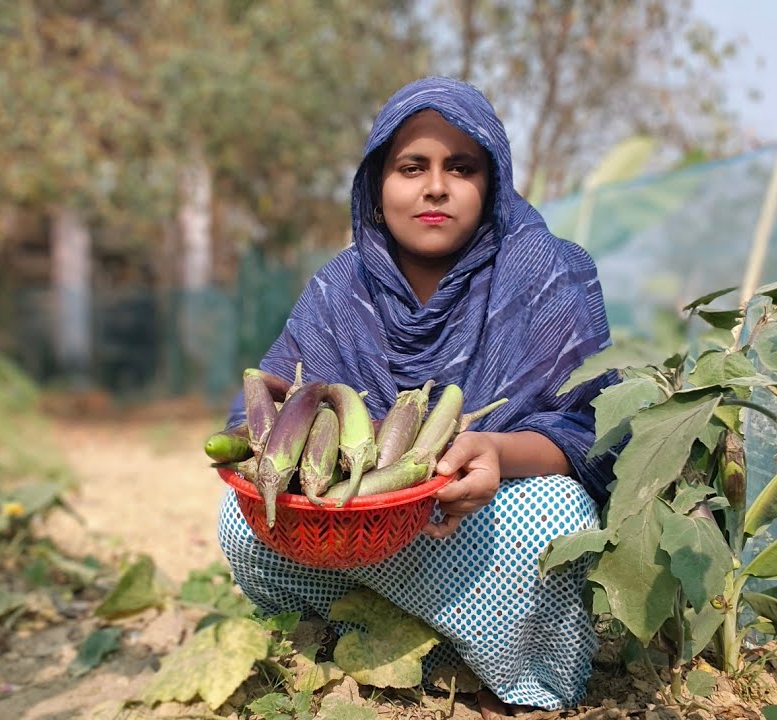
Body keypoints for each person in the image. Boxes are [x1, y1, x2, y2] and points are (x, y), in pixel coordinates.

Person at [217, 76, 619, 716]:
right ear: (377, 186)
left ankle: (506, 664)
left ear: (492, 185)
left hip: (475, 522)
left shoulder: (542, 273)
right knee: (243, 518)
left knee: (556, 517)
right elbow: (266, 412)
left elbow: (595, 428)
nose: (436, 186)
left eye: (462, 167)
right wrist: (270, 422)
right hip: (351, 526)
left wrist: (494, 451)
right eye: (412, 167)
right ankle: (359, 633)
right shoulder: (338, 290)